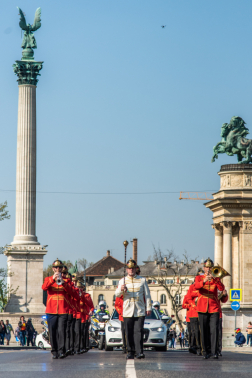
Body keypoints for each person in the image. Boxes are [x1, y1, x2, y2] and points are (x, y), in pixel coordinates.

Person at [115, 258, 152, 359]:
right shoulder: (122, 281)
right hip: (127, 310)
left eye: (133, 268)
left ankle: (139, 352)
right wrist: (121, 289)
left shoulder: (142, 280)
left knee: (138, 331)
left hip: (139, 309)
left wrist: (148, 307)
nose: (131, 270)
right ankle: (130, 351)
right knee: (129, 332)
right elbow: (117, 294)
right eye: (129, 268)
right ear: (126, 270)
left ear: (136, 269)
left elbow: (147, 295)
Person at [42, 258, 76, 359]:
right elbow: (44, 287)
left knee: (62, 331)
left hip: (63, 310)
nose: (58, 269)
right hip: (51, 310)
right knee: (52, 331)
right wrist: (53, 279)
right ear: (53, 269)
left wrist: (64, 283)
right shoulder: (48, 279)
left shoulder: (67, 280)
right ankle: (54, 351)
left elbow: (72, 293)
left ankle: (61, 350)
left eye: (60, 268)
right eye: (56, 267)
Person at [195, 258, 225, 359]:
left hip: (214, 308)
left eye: (210, 267)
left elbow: (221, 288)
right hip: (202, 307)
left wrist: (216, 279)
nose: (208, 269)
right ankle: (205, 351)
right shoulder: (199, 278)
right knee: (203, 331)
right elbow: (196, 287)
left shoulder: (216, 278)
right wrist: (204, 281)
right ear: (204, 268)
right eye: (207, 267)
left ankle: (214, 351)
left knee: (214, 330)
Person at [217, 290, 228, 356]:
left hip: (218, 313)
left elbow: (224, 300)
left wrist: (224, 295)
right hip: (206, 313)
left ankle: (218, 349)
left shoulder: (219, 285)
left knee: (219, 333)